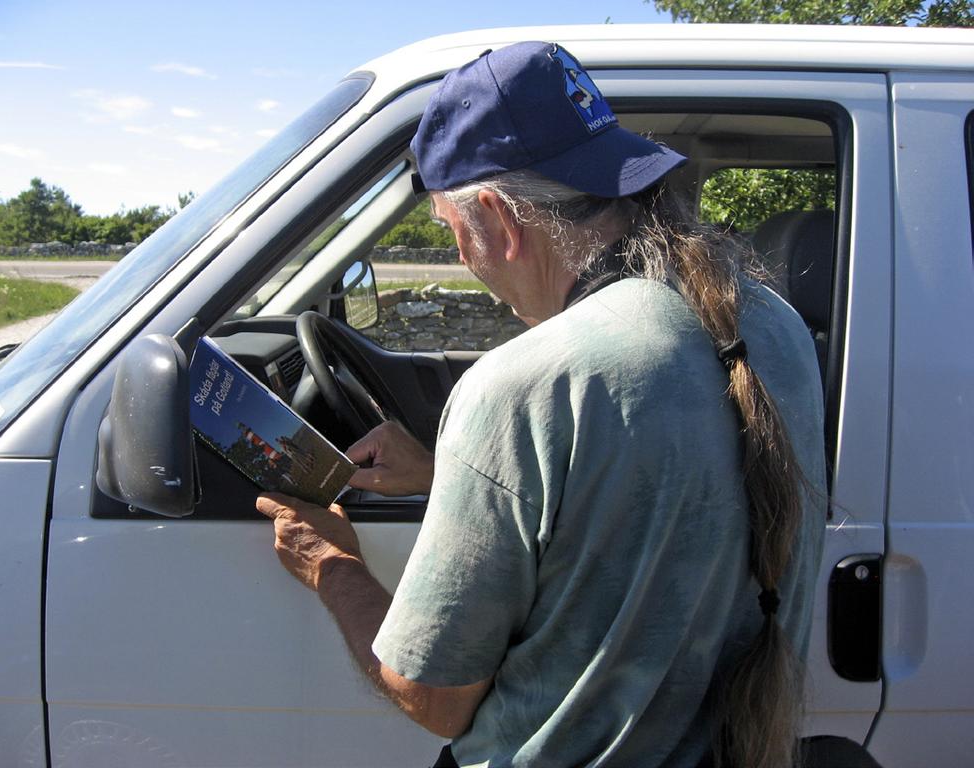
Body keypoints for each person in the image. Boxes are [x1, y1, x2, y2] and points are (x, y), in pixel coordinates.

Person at [256, 41, 826, 768]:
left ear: (493, 217)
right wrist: (448, 476)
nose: (464, 257)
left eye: (449, 231)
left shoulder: (526, 382)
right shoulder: (772, 328)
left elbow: (432, 697)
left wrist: (329, 564)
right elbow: (671, 498)